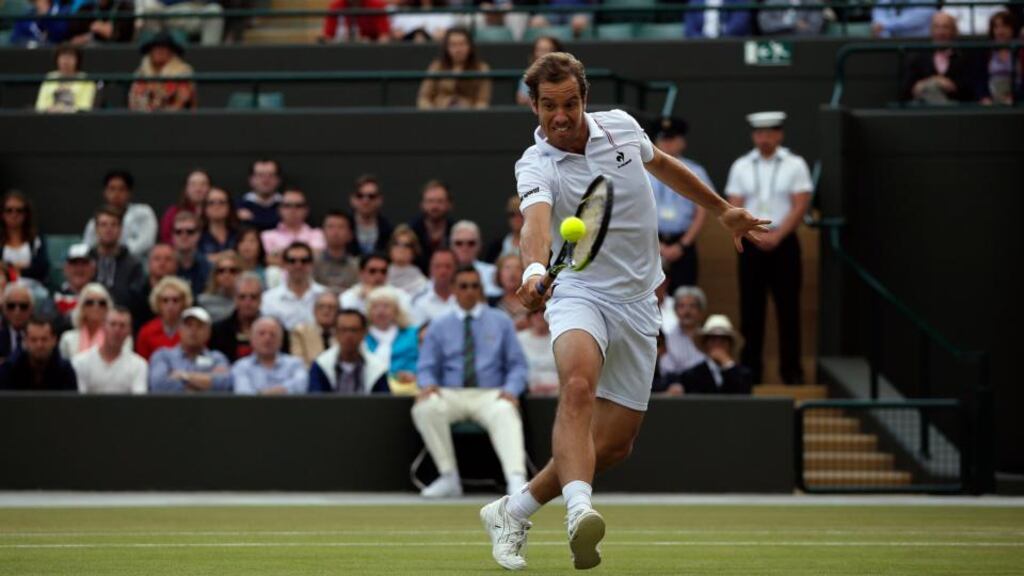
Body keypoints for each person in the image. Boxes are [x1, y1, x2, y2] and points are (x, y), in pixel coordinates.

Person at [479, 52, 768, 571]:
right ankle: (579, 511)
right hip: (578, 293)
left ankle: (513, 510)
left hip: (639, 301)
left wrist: (721, 209)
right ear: (534, 107)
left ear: (584, 99)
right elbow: (535, 225)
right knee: (578, 387)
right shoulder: (535, 163)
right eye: (549, 106)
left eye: (569, 103)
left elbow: (665, 166)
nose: (560, 116)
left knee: (614, 445)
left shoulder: (621, 128)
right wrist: (531, 272)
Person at [414, 266, 529, 498]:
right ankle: (449, 477)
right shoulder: (439, 324)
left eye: (475, 286)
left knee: (505, 410)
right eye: (464, 286)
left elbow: (517, 364)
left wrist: (511, 389)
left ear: (481, 289)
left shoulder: (501, 322)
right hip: (450, 392)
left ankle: (516, 479)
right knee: (425, 408)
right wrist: (427, 384)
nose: (469, 291)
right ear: (454, 289)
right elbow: (426, 365)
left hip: (490, 393)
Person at [725, 111, 811, 385]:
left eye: (770, 133)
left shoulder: (795, 163)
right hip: (751, 244)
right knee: (751, 309)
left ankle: (792, 372)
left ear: (779, 134)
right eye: (759, 133)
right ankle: (751, 372)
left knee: (789, 309)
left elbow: (800, 204)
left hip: (784, 243)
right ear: (754, 135)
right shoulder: (741, 165)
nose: (764, 138)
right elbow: (733, 204)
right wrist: (753, 234)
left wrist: (778, 235)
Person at [647, 117, 709, 292]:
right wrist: (657, 245)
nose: (667, 144)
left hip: (684, 242)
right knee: (650, 297)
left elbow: (702, 211)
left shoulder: (696, 171)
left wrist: (683, 244)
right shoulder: (644, 169)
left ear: (682, 142)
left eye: (672, 139)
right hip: (651, 242)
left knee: (685, 295)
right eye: (663, 139)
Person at [901, 11, 982, 103]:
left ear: (954, 31)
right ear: (931, 31)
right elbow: (906, 91)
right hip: (923, 109)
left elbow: (971, 89)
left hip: (957, 109)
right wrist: (934, 81)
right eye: (937, 27)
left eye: (945, 27)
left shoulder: (965, 56)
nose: (940, 32)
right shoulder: (918, 57)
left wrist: (951, 85)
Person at [149, 306, 232, 393]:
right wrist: (205, 381)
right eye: (188, 325)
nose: (193, 330)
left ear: (209, 332)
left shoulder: (217, 358)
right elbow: (159, 385)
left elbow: (224, 384)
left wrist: (183, 376)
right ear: (179, 330)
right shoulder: (163, 355)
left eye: (199, 326)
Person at [308, 308, 389, 394]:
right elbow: (315, 403)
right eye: (343, 330)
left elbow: (384, 404)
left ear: (364, 332)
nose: (348, 335)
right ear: (335, 332)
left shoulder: (377, 368)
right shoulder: (321, 365)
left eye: (354, 330)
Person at [82, 170, 158, 259]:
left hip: (139, 262)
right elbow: (87, 247)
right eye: (112, 189)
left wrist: (118, 254)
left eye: (121, 189)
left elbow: (146, 243)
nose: (116, 194)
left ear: (129, 193)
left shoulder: (144, 213)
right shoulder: (95, 221)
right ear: (105, 192)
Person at [72, 306, 148, 394]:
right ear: (103, 326)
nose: (117, 330)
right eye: (113, 324)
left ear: (129, 330)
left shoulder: (139, 365)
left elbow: (139, 402)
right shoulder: (80, 362)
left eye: (122, 325)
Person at [416, 26, 492, 110]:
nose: (458, 49)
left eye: (462, 44)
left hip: (469, 116)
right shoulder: (436, 66)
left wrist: (473, 116)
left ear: (470, 46)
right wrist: (433, 114)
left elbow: (483, 101)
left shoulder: (481, 68)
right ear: (446, 48)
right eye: (453, 45)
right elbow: (423, 98)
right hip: (439, 114)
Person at [677, 314, 752, 395]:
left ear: (730, 345)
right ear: (705, 344)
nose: (718, 345)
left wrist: (727, 364)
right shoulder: (691, 375)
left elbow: (743, 395)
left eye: (723, 340)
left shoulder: (743, 374)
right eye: (713, 340)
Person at [260, 241, 326, 331]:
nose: (298, 265)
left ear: (311, 264)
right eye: (292, 261)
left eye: (304, 261)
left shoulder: (324, 295)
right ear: (284, 264)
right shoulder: (268, 299)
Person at [87, 205, 146, 306]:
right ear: (96, 229)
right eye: (103, 225)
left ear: (121, 229)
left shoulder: (133, 264)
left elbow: (136, 299)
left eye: (114, 225)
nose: (108, 229)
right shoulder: (85, 261)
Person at [231, 317, 306, 395]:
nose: (267, 338)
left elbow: (301, 386)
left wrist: (263, 394)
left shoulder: (295, 364)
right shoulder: (241, 366)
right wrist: (280, 391)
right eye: (262, 333)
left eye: (273, 334)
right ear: (251, 339)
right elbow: (243, 394)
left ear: (281, 340)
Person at [128, 31, 197, 111]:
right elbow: (134, 104)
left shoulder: (183, 72)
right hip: (143, 118)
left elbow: (183, 102)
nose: (159, 51)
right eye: (156, 47)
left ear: (171, 52)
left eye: (164, 47)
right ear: (150, 51)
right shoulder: (141, 73)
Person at [0, 317, 76, 391]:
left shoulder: (65, 370)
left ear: (54, 340)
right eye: (33, 340)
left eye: (44, 339)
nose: (39, 345)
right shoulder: (10, 369)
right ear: (25, 341)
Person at [364, 285, 419, 386]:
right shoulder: (362, 336)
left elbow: (425, 362)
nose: (381, 311)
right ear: (369, 312)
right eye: (375, 307)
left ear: (396, 311)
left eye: (386, 306)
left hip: (407, 387)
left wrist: (414, 373)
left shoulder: (413, 334)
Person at [58, 282, 128, 359]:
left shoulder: (121, 338)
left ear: (108, 308)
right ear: (82, 307)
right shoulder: (68, 339)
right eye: (90, 302)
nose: (96, 306)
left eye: (101, 303)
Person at [658, 286, 708, 395]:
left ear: (701, 311)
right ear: (675, 311)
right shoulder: (667, 340)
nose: (687, 311)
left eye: (692, 306)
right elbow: (667, 371)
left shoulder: (708, 339)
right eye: (682, 306)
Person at [260, 189, 326, 263]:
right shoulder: (266, 236)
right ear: (280, 209)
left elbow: (319, 260)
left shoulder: (318, 234)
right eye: (287, 205)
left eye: (298, 206)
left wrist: (280, 253)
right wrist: (307, 254)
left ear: (306, 210)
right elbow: (269, 261)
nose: (293, 209)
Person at [135, 275, 192, 360]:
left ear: (184, 302)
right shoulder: (146, 332)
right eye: (165, 300)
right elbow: (142, 363)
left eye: (175, 300)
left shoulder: (192, 330)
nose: (170, 305)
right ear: (158, 303)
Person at [210, 272, 263, 362]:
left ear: (261, 299)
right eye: (242, 297)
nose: (248, 302)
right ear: (235, 299)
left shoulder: (274, 331)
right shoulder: (218, 331)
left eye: (253, 297)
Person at [1, 190, 50, 284]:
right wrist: (21, 267)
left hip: (32, 288)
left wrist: (8, 267)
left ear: (26, 214)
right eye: (9, 210)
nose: (14, 215)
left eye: (19, 211)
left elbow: (42, 269)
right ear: (2, 214)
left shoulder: (36, 239)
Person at [127, 243, 177, 332]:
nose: (162, 263)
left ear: (176, 264)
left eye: (168, 259)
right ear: (148, 263)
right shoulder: (136, 294)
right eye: (157, 259)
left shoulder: (183, 293)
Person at [407, 179, 454, 272]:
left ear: (449, 204)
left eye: (440, 201)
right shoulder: (411, 232)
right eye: (430, 201)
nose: (434, 206)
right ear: (422, 204)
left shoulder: (456, 232)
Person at [34, 44, 96, 113]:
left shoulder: (85, 79)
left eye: (70, 57)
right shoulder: (50, 77)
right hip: (49, 119)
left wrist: (66, 109)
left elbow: (86, 107)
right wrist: (52, 109)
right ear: (57, 59)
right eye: (63, 56)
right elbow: (40, 106)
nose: (66, 61)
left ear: (78, 60)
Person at [450, 220, 501, 299]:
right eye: (459, 243)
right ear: (451, 246)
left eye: (471, 243)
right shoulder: (444, 272)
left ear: (479, 246)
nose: (464, 248)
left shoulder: (493, 272)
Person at [339, 252, 405, 312]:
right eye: (372, 271)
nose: (378, 275)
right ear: (361, 273)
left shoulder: (400, 296)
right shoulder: (348, 297)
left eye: (383, 271)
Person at [159, 169, 210, 245]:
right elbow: (166, 239)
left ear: (209, 187)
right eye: (193, 184)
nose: (198, 189)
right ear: (186, 188)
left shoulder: (217, 210)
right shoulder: (173, 212)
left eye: (203, 184)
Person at [290, 291, 339, 366]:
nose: (326, 311)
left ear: (338, 312)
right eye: (321, 307)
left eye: (331, 307)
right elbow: (298, 365)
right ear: (314, 311)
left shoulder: (343, 333)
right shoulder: (300, 332)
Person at [516, 307, 558, 396]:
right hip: (526, 392)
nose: (539, 316)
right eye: (535, 312)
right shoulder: (518, 339)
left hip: (558, 391)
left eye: (543, 311)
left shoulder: (559, 338)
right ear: (529, 317)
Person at [981, 11, 1021, 105]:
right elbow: (980, 79)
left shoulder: (1020, 51)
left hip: (1016, 99)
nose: (1000, 31)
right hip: (992, 99)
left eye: (1004, 26)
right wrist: (984, 97)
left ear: (1012, 29)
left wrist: (1016, 96)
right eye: (996, 27)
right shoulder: (986, 52)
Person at [410, 248, 457, 325]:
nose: (443, 271)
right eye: (438, 266)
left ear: (456, 269)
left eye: (448, 266)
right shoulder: (419, 302)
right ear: (431, 269)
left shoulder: (465, 299)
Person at [349, 174, 393, 256]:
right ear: (353, 199)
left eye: (371, 196)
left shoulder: (389, 231)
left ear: (380, 200)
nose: (365, 201)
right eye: (360, 196)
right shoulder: (343, 227)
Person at [171, 210, 210, 298]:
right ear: (172, 236)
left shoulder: (208, 268)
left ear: (199, 235)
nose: (184, 236)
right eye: (178, 231)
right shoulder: (164, 267)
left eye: (190, 231)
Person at [53, 243, 97, 323]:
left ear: (93, 269)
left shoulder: (101, 296)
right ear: (65, 269)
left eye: (84, 264)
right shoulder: (54, 295)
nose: (79, 269)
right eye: (74, 264)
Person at [516, 36, 563, 107]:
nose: (541, 54)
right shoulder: (528, 75)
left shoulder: (565, 75)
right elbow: (521, 100)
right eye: (538, 50)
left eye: (545, 50)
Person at [238, 159, 283, 232]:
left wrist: (252, 219)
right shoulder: (238, 206)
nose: (265, 180)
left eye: (271, 175)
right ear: (251, 179)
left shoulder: (289, 205)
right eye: (260, 175)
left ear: (278, 179)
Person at [198, 251, 241, 323]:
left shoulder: (245, 300)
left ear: (240, 273)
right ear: (215, 275)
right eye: (221, 271)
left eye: (232, 270)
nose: (226, 275)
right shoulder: (203, 301)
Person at [198, 187, 240, 260]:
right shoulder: (196, 235)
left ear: (229, 207)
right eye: (211, 203)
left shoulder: (239, 234)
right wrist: (223, 256)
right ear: (205, 208)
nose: (217, 206)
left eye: (222, 202)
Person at [66, 0, 135, 44]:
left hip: (119, 53)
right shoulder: (86, 8)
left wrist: (98, 28)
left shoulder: (124, 6)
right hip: (90, 53)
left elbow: (117, 34)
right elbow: (75, 39)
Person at [386, 225, 428, 297]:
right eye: (396, 244)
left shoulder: (423, 284)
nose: (401, 249)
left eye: (406, 245)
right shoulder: (380, 274)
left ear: (414, 251)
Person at [490, 254, 528, 331]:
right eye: (507, 268)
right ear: (499, 273)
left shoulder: (535, 304)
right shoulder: (490, 304)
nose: (513, 273)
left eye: (518, 268)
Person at [0, 283, 35, 363]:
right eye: (11, 306)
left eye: (23, 306)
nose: (17, 312)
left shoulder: (41, 334)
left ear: (31, 308)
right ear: (4, 308)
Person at [684, 0, 753, 38]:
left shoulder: (738, 1)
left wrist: (720, 37)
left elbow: (740, 22)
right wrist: (703, 41)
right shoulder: (695, 2)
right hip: (701, 45)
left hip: (729, 43)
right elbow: (690, 30)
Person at [485, 196, 523, 264]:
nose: (517, 218)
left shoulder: (538, 244)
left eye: (521, 214)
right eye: (512, 214)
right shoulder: (496, 247)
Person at [871, 0, 936, 38]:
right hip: (890, 44)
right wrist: (883, 32)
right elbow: (878, 16)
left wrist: (885, 26)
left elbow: (913, 21)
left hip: (920, 44)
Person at [757, 0, 825, 36]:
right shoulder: (771, 2)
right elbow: (765, 26)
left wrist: (778, 26)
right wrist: (792, 24)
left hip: (804, 45)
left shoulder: (813, 3)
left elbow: (814, 29)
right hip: (776, 43)